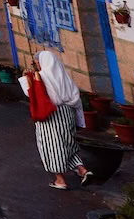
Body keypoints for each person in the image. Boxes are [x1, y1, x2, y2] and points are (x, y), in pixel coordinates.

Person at [21, 50, 90, 189]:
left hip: (50, 115)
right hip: (67, 112)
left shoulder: (40, 77)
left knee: (52, 146)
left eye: (38, 63)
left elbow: (30, 94)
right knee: (68, 142)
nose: (38, 66)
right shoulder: (64, 76)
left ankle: (60, 180)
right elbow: (75, 96)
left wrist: (24, 76)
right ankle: (82, 170)